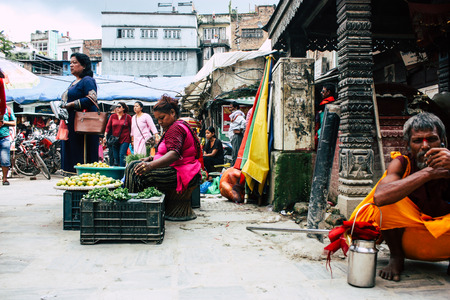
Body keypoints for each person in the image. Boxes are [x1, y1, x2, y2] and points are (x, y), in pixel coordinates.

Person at [349, 112, 450, 282]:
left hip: (444, 238)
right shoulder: (403, 163)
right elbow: (380, 197)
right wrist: (428, 173)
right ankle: (396, 257)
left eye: (431, 139)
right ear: (408, 146)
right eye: (417, 141)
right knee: (387, 199)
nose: (425, 146)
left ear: (442, 141)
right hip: (409, 238)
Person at [124, 95, 201, 219]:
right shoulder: (176, 126)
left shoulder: (175, 128)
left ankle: (133, 213)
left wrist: (150, 165)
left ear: (172, 113)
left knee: (135, 171)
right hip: (182, 169)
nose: (159, 122)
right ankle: (135, 210)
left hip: (182, 172)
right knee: (135, 165)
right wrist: (149, 159)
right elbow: (167, 152)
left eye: (162, 118)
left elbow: (174, 154)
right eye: (157, 119)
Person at [59, 53, 99, 174]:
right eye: (70, 62)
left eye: (75, 62)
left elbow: (92, 98)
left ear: (84, 65)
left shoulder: (87, 81)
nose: (71, 65)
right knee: (72, 151)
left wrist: (71, 104)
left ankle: (84, 178)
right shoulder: (73, 82)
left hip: (83, 125)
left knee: (82, 152)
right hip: (71, 122)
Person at [104, 102, 132, 167]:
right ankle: (117, 170)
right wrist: (105, 135)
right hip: (115, 139)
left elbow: (131, 128)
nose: (117, 108)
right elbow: (108, 126)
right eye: (116, 107)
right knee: (115, 156)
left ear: (123, 108)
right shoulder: (112, 116)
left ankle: (122, 171)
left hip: (125, 138)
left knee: (122, 154)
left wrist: (132, 139)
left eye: (119, 107)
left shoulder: (128, 117)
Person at [1, 104, 16, 185]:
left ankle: (5, 179)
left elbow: (14, 123)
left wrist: (4, 122)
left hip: (4, 138)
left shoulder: (8, 109)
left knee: (5, 159)